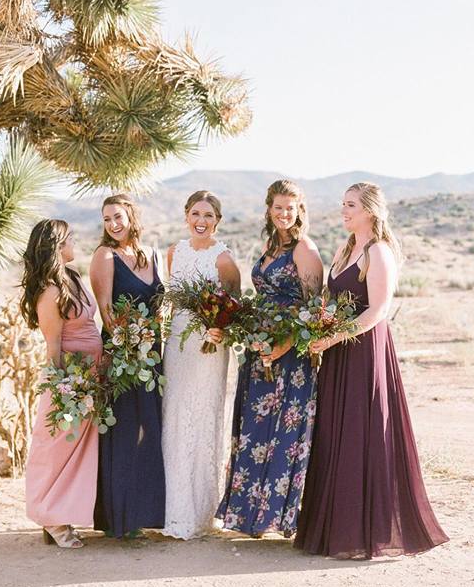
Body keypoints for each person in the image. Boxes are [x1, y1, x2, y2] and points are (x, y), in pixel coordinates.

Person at [294, 183, 449, 558]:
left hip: (364, 352)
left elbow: (377, 310)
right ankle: (333, 527)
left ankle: (365, 531)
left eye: (351, 205)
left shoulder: (378, 252)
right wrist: (319, 327)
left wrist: (333, 339)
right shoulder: (344, 248)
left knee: (362, 432)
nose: (343, 210)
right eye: (343, 203)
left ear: (370, 211)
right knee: (335, 432)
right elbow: (331, 300)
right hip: (336, 355)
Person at [218, 179, 323, 537]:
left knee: (282, 435)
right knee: (255, 431)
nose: (283, 214)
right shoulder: (269, 248)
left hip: (290, 359)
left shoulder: (304, 249)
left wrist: (283, 345)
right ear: (269, 209)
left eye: (290, 208)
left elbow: (314, 310)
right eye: (277, 207)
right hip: (259, 351)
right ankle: (251, 517)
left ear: (299, 211)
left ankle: (276, 518)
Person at [161, 190, 241, 539]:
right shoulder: (173, 252)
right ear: (186, 216)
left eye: (208, 215)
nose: (201, 221)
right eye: (196, 213)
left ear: (217, 221)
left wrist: (220, 328)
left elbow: (234, 306)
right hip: (177, 343)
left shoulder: (223, 258)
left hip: (209, 346)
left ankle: (200, 511)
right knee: (174, 415)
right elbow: (172, 298)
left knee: (202, 417)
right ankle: (172, 510)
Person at [22, 219, 102, 549]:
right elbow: (53, 345)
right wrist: (63, 391)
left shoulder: (71, 278)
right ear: (56, 247)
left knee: (79, 454)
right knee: (56, 450)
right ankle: (51, 519)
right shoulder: (50, 291)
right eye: (69, 239)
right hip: (69, 381)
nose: (75, 242)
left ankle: (63, 513)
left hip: (91, 376)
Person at [91, 194, 166, 539]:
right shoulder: (104, 256)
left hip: (152, 355)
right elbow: (105, 311)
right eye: (107, 219)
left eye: (118, 216)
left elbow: (160, 305)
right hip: (122, 356)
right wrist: (127, 344)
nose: (113, 224)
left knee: (149, 432)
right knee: (122, 433)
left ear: (132, 216)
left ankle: (146, 514)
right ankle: (119, 518)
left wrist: (151, 341)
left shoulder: (152, 254)